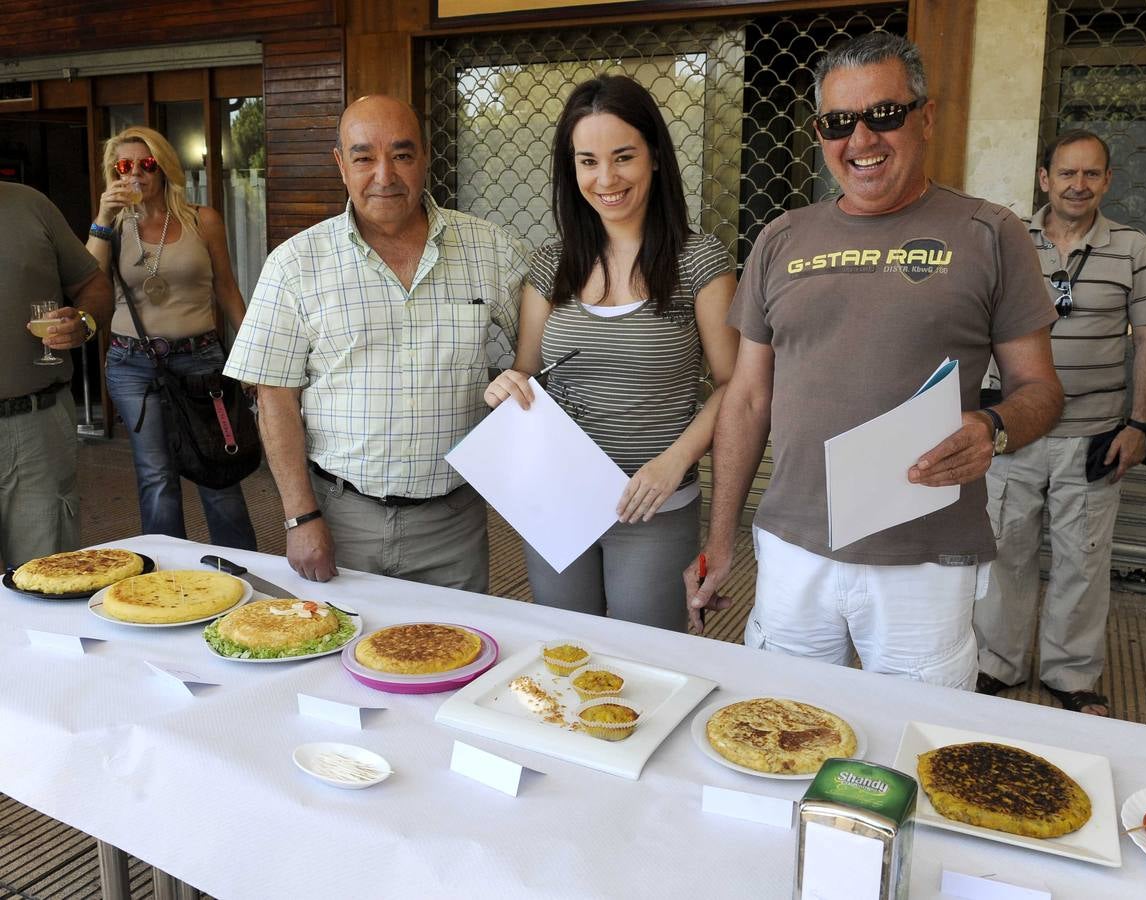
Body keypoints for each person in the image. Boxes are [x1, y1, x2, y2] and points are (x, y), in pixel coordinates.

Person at [684, 32, 1062, 689]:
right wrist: (721, 541)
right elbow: (745, 399)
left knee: (917, 749)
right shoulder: (781, 237)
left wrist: (993, 429)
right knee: (781, 729)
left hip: (924, 556)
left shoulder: (989, 233)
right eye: (838, 122)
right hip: (793, 546)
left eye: (884, 114)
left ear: (927, 116)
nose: (861, 140)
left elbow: (1041, 390)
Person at [225, 95, 526, 590]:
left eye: (402, 155)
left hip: (455, 520)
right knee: (339, 656)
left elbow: (544, 354)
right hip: (341, 518)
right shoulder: (295, 264)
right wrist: (300, 518)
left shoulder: (491, 249)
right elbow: (275, 397)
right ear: (341, 164)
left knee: (456, 658)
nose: (384, 175)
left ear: (425, 158)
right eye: (364, 157)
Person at [484, 75, 739, 631]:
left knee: (649, 658)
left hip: (652, 503)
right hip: (558, 496)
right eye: (587, 161)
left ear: (654, 158)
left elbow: (734, 384)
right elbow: (528, 375)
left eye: (623, 156)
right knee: (565, 649)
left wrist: (676, 462)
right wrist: (507, 386)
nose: (606, 179)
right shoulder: (551, 264)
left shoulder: (700, 261)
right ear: (570, 169)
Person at [973, 129, 1146, 716]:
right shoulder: (1008, 241)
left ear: (1107, 180)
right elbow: (975, 324)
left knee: (1082, 562)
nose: (1077, 185)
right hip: (1015, 430)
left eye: (1090, 174)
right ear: (1044, 179)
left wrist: (1139, 424)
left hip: (1095, 436)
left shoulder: (1133, 248)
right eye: (1066, 173)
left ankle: (1072, 675)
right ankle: (995, 665)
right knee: (1003, 553)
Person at [85, 126, 257, 551]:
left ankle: (245, 573)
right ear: (113, 172)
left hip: (200, 359)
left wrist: (254, 360)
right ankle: (166, 582)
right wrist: (103, 218)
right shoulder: (112, 226)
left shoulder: (203, 220)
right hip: (133, 363)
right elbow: (89, 284)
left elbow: (228, 290)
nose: (137, 174)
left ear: (163, 167)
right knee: (157, 476)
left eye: (147, 164)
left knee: (218, 470)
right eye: (125, 166)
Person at [0, 182, 113, 565]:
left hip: (36, 428)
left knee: (49, 579)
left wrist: (84, 321)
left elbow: (93, 283)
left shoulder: (31, 205)